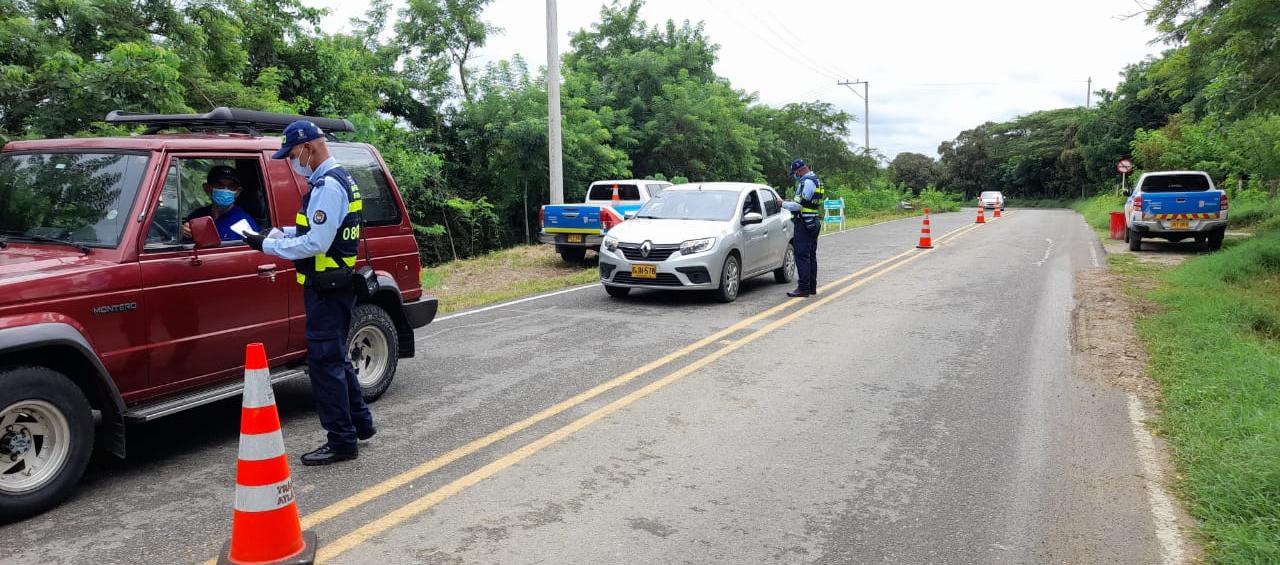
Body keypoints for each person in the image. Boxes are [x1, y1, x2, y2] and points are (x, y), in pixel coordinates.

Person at [242, 120, 373, 466]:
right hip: (335, 286)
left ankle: (341, 441)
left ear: (309, 148)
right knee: (338, 358)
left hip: (328, 290)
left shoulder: (328, 186)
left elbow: (316, 242)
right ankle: (361, 423)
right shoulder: (335, 180)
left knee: (325, 364)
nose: (292, 161)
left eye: (293, 154)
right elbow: (315, 228)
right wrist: (277, 232)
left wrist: (268, 246)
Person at [181, 166, 259, 241]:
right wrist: (183, 232)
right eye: (219, 185)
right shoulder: (197, 216)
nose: (225, 190)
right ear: (207, 188)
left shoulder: (245, 223)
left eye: (231, 186)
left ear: (237, 192)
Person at [781, 159, 823, 297]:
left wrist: (782, 204)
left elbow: (800, 205)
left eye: (794, 173)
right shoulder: (817, 180)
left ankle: (804, 288)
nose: (794, 176)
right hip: (813, 221)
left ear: (799, 171)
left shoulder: (807, 182)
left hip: (805, 223)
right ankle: (811, 287)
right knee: (810, 256)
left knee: (802, 256)